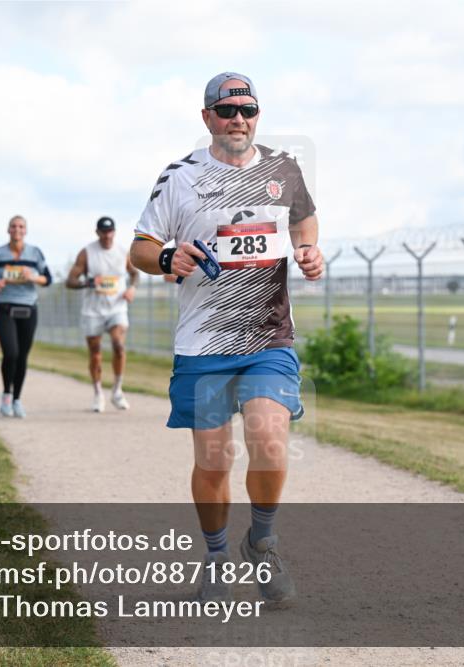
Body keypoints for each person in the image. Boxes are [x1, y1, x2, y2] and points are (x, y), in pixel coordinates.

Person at [130, 72, 324, 603]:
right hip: (203, 345)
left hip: (268, 338)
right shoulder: (181, 178)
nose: (238, 119)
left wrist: (308, 250)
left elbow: (304, 221)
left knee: (268, 438)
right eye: (226, 110)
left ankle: (261, 541)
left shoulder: (283, 169)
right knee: (214, 460)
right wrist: (169, 256)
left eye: (247, 110)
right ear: (207, 118)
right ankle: (216, 554)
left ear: (257, 115)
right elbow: (141, 249)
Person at [66, 216, 140, 412]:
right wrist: (87, 283)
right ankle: (98, 393)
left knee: (118, 346)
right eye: (103, 232)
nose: (107, 236)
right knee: (96, 353)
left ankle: (117, 390)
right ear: (97, 232)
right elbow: (70, 280)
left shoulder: (123, 252)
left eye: (110, 232)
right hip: (93, 311)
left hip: (117, 308)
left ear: (114, 232)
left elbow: (135, 274)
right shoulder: (87, 253)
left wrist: (132, 288)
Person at [0, 215, 52, 418]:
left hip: (28, 307)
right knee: (10, 353)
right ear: (8, 229)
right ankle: (6, 394)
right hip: (5, 306)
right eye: (13, 226)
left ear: (26, 230)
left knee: (22, 356)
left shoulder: (35, 253)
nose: (17, 229)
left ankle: (17, 399)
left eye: (21, 226)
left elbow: (47, 278)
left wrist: (33, 277)